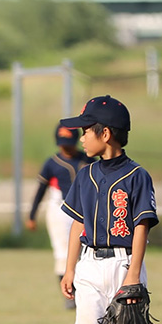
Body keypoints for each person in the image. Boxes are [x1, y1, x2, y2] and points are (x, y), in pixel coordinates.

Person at [58, 95, 158, 324]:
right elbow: (77, 223)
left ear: (106, 134)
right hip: (89, 264)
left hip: (123, 264)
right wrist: (69, 269)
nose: (81, 136)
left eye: (86, 130)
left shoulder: (137, 176)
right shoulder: (85, 175)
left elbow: (142, 226)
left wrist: (133, 274)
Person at [26, 122, 95, 309]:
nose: (66, 147)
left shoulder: (88, 159)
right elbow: (41, 190)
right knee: (63, 252)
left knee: (85, 251)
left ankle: (85, 291)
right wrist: (32, 215)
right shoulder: (52, 162)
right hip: (60, 210)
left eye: (68, 143)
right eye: (62, 143)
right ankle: (69, 295)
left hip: (85, 210)